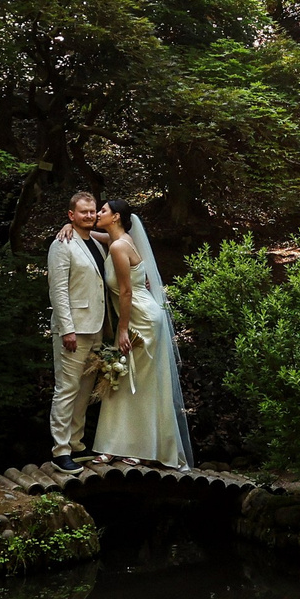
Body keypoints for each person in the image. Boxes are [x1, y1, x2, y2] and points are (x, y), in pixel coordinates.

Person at [88, 197, 193, 467]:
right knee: (122, 381)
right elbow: (99, 235)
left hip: (141, 321)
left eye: (103, 210)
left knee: (139, 384)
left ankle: (142, 447)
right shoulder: (116, 240)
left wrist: (122, 331)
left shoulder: (120, 247)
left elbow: (126, 291)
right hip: (136, 316)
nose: (98, 213)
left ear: (116, 218)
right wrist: (75, 226)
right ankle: (114, 445)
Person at [44, 189, 110, 472]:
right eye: (83, 212)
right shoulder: (62, 244)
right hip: (73, 330)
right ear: (71, 215)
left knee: (85, 389)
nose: (90, 215)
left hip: (96, 328)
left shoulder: (96, 243)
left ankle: (76, 443)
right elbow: (58, 290)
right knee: (67, 389)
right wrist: (67, 329)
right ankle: (60, 451)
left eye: (92, 211)